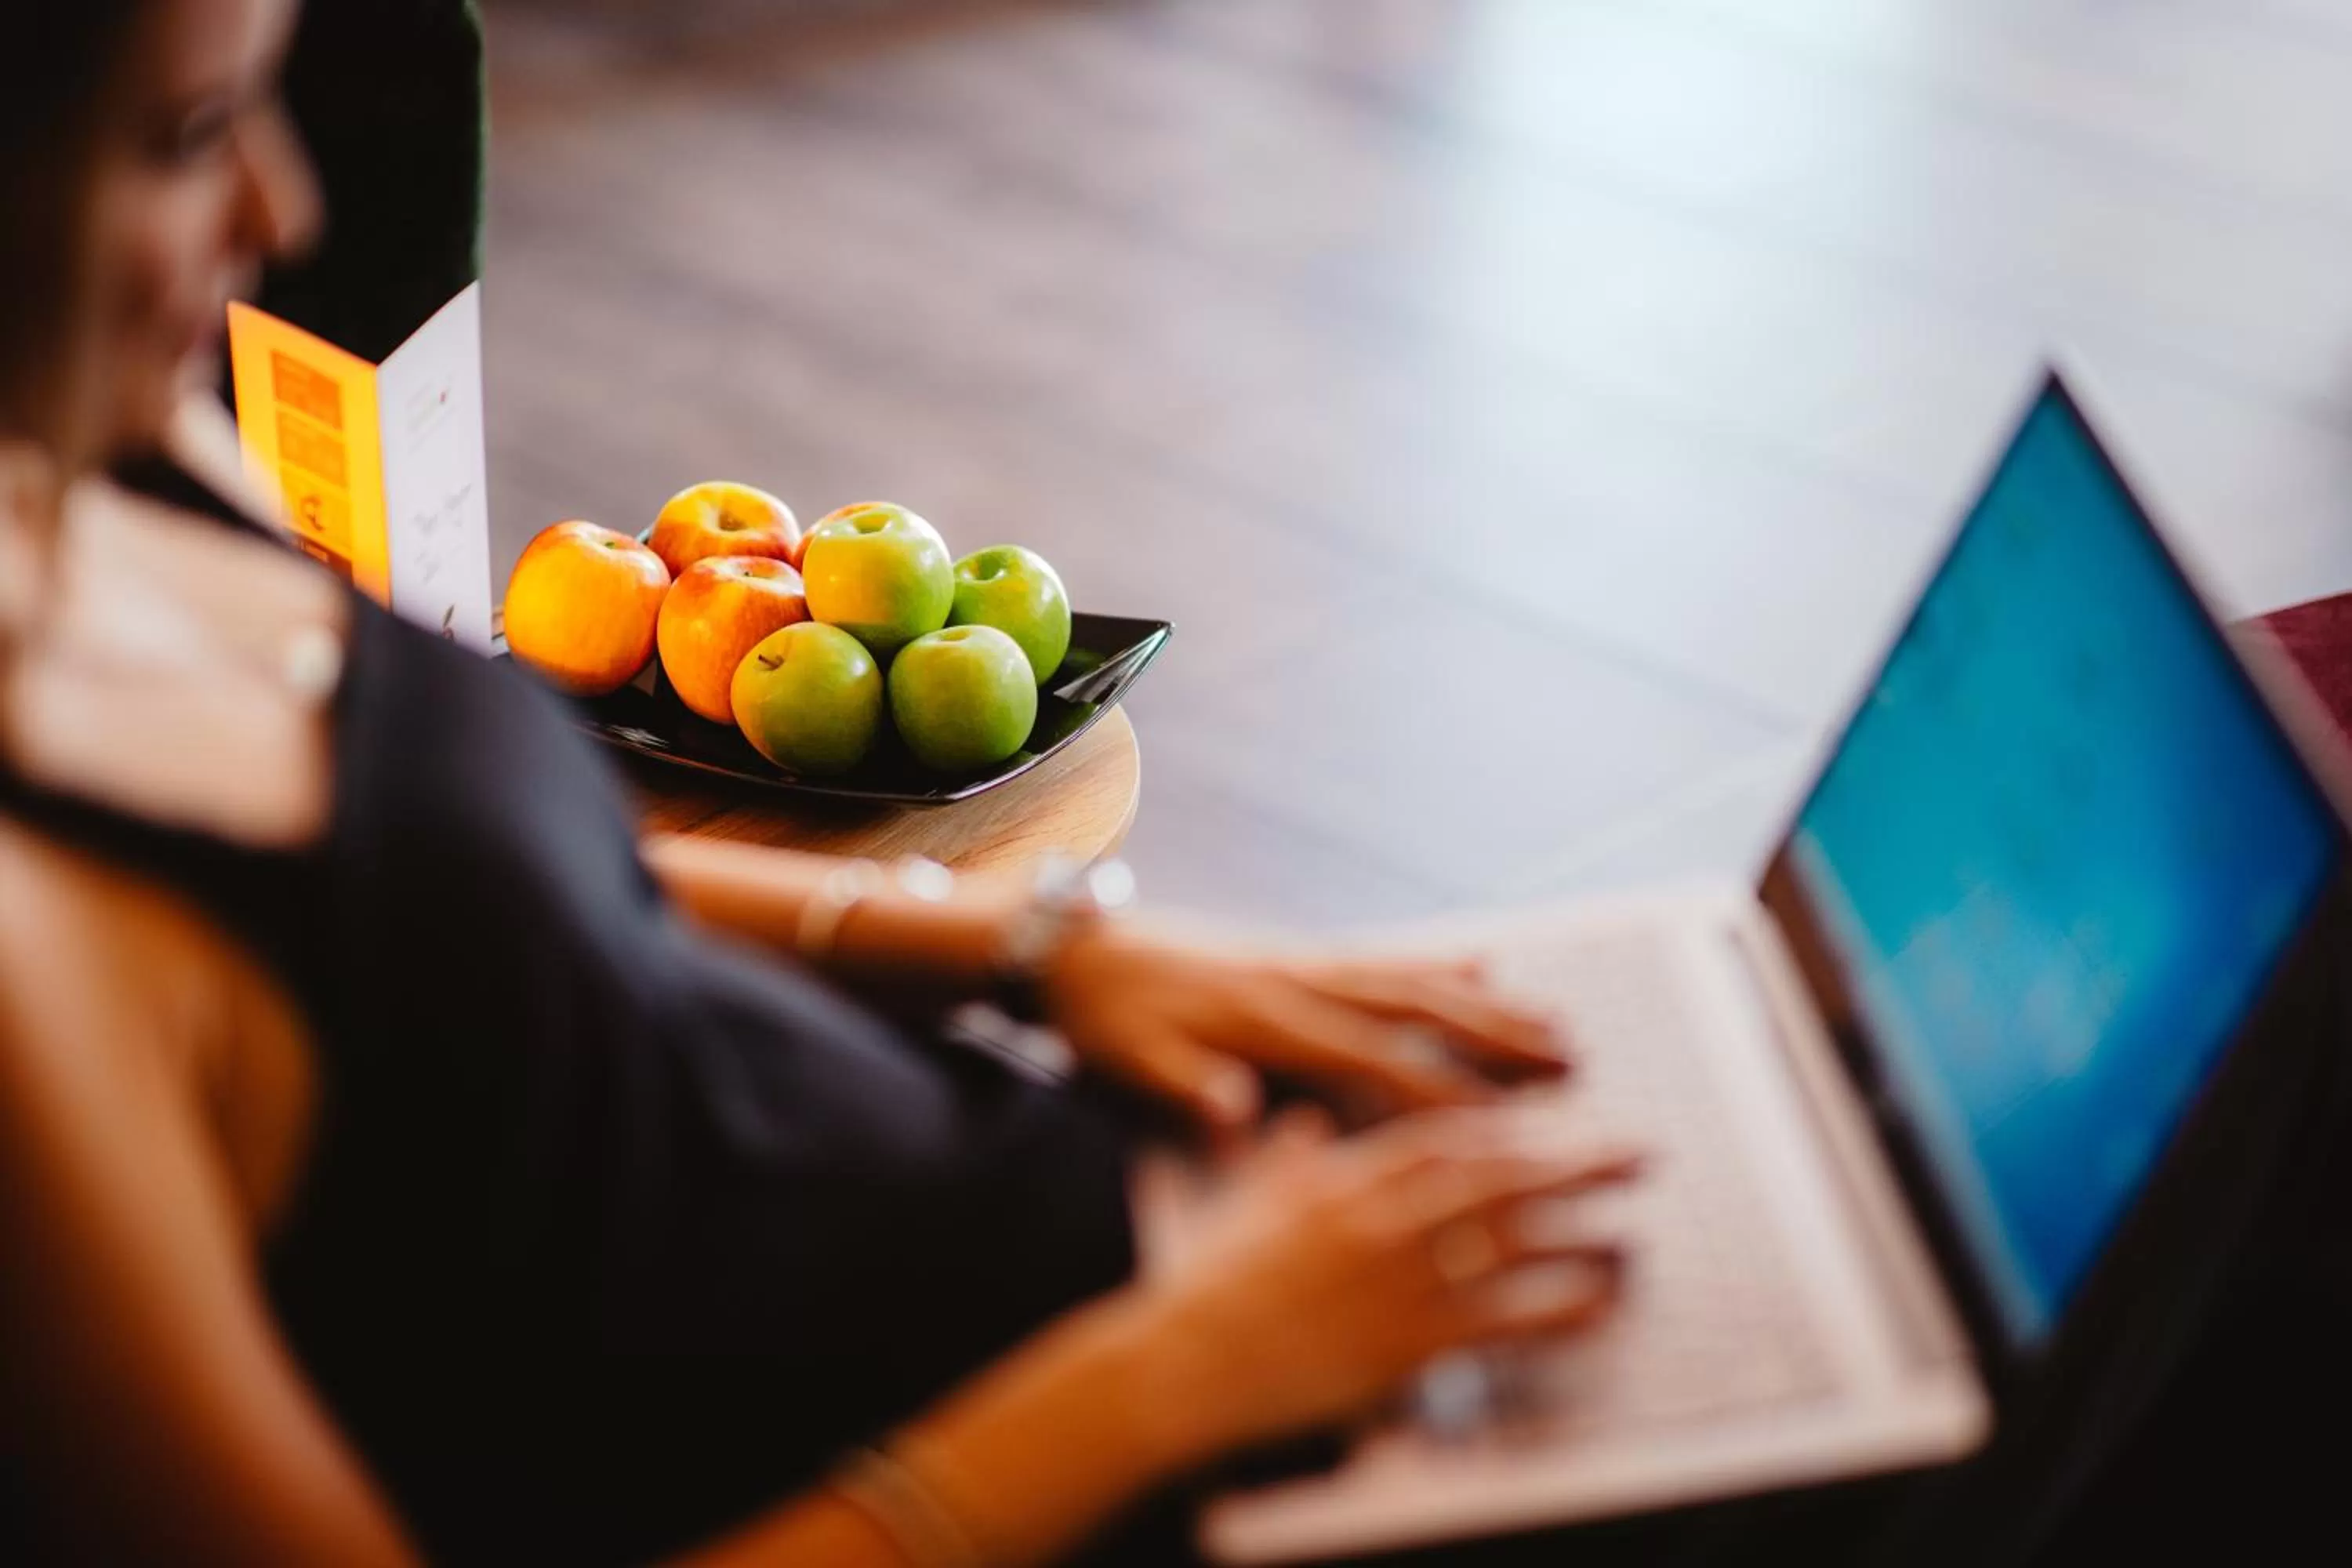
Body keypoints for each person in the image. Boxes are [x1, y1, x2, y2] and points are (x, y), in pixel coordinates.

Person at [0, 2, 1642, 1563]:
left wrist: (1044, 951)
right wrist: (1195, 1363)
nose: (280, 213)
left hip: (1121, 1240)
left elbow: (444, 903)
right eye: (188, 133)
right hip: (1093, 1445)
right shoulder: (30, 978)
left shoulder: (112, 459)